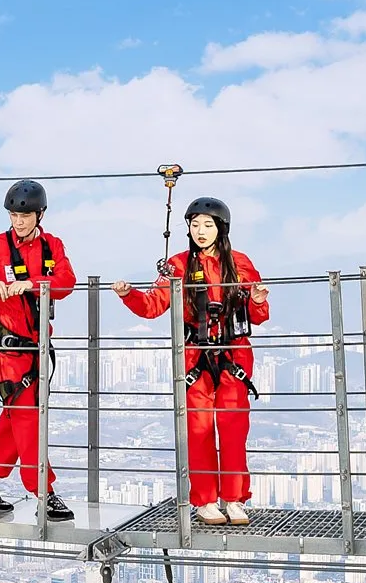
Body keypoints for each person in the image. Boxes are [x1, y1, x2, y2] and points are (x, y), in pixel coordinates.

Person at [112, 197, 269, 524]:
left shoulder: (239, 264)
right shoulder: (178, 265)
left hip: (233, 353)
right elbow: (154, 305)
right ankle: (205, 500)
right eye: (195, 224)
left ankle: (235, 498)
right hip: (195, 354)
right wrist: (129, 295)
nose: (200, 231)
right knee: (197, 430)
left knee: (233, 428)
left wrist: (256, 300)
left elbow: (258, 314)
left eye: (207, 225)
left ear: (221, 228)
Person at [0, 180, 77, 521]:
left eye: (25, 215)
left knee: (14, 419)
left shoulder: (52, 246)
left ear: (39, 214)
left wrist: (36, 283)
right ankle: (42, 490)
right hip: (8, 350)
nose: (19, 222)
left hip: (37, 348)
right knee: (26, 418)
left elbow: (68, 280)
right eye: (13, 215)